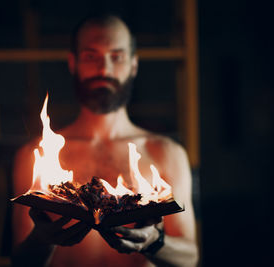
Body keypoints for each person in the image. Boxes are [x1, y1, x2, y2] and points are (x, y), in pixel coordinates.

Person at [11, 14, 198, 267]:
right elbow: (20, 261)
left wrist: (154, 241)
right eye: (91, 56)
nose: (104, 69)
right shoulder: (37, 155)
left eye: (116, 56)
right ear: (72, 62)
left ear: (133, 64)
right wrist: (42, 239)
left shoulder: (166, 153)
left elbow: (190, 258)